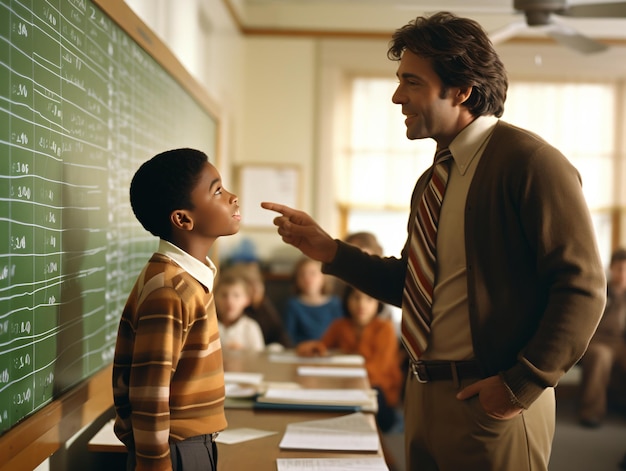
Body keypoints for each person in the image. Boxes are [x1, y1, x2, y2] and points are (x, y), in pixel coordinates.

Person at [261, 11, 606, 471]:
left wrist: (522, 384)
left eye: (412, 82)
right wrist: (331, 251)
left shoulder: (531, 163)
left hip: (493, 398)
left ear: (461, 90)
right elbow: (415, 285)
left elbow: (582, 287)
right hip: (422, 394)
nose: (396, 95)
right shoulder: (431, 181)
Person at [112, 148, 241, 471]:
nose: (232, 197)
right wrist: (156, 465)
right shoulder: (170, 290)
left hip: (193, 445)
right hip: (174, 452)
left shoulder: (191, 278)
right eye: (218, 191)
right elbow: (149, 394)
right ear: (183, 219)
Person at [297, 284, 403, 432]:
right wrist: (315, 349)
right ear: (347, 300)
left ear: (378, 303)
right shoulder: (339, 326)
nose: (361, 304)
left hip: (379, 394)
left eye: (369, 299)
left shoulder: (384, 328)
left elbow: (377, 370)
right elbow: (322, 347)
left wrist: (339, 371)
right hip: (346, 388)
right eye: (356, 297)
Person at [579, 248, 626, 428]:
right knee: (601, 357)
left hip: (621, 342)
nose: (623, 274)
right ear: (612, 269)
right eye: (619, 269)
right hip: (597, 340)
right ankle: (591, 412)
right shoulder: (601, 290)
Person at [225, 261, 292, 348]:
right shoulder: (233, 309)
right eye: (250, 284)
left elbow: (282, 339)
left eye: (258, 283)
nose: (256, 289)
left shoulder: (263, 306)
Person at [284, 256, 343, 344]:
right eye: (302, 274)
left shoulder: (335, 303)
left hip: (330, 351)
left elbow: (341, 332)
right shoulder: (293, 304)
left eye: (313, 273)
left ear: (324, 277)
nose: (307, 278)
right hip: (302, 352)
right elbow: (289, 335)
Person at [215, 270, 265, 352]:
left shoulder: (251, 327)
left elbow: (258, 357)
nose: (229, 301)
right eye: (224, 295)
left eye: (236, 295)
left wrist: (243, 352)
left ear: (247, 300)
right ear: (214, 297)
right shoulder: (209, 326)